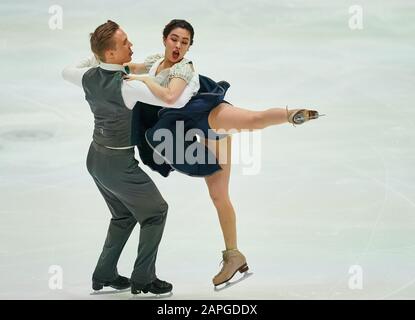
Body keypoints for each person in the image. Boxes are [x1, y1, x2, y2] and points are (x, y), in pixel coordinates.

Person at [124, 19, 322, 286]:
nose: (178, 45)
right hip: (199, 135)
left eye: (184, 42)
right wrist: (107, 65)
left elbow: (170, 97)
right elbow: (129, 67)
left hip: (209, 116)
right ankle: (234, 255)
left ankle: (291, 115)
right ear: (164, 39)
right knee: (219, 196)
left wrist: (141, 80)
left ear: (189, 47)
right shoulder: (154, 62)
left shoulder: (184, 68)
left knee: (252, 120)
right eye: (174, 39)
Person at [62, 20, 196, 295]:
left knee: (123, 216)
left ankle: (104, 273)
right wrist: (189, 78)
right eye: (125, 43)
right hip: (118, 165)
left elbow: (66, 71)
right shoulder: (128, 87)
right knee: (156, 212)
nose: (131, 45)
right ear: (110, 53)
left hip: (95, 159)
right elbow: (174, 99)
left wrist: (96, 58)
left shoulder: (87, 77)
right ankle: (144, 279)